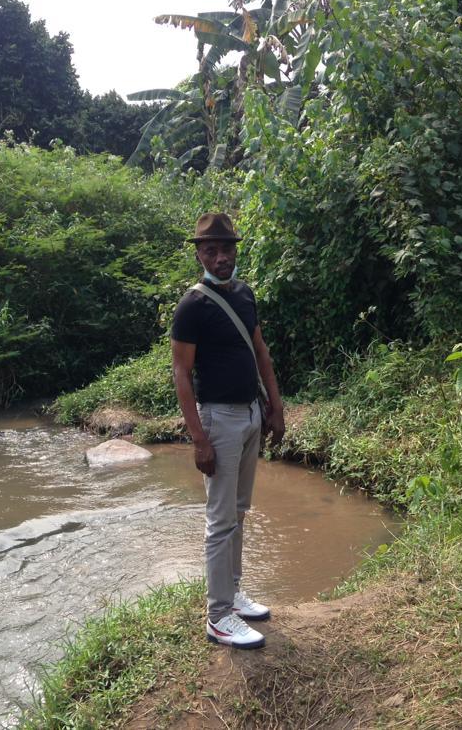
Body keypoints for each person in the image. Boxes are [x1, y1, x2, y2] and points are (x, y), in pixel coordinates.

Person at [170, 212, 286, 649]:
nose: (221, 257)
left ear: (236, 251)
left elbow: (260, 352)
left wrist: (275, 406)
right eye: (211, 250)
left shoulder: (244, 294)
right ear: (199, 255)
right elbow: (181, 374)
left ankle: (233, 594)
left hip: (251, 413)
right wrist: (198, 438)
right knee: (220, 521)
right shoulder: (192, 306)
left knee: (238, 511)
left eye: (227, 249)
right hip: (218, 420)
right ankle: (218, 616)